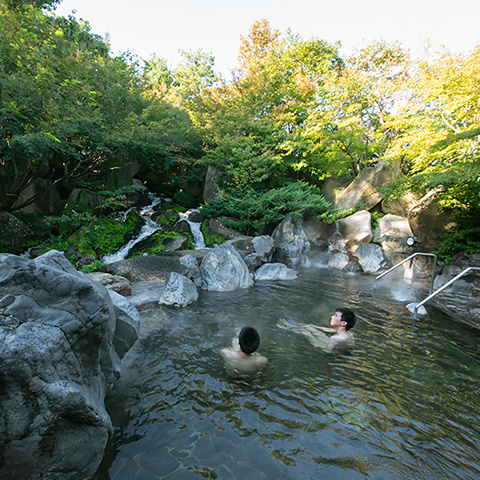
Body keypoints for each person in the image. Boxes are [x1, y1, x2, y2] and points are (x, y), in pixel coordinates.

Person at [277, 307, 356, 352]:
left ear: (343, 323)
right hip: (335, 345)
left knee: (305, 332)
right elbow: (328, 330)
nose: (332, 317)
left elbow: (326, 351)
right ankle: (289, 326)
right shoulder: (348, 333)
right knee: (310, 328)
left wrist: (309, 336)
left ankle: (286, 327)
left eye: (335, 316)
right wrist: (314, 326)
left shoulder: (335, 338)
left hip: (330, 348)